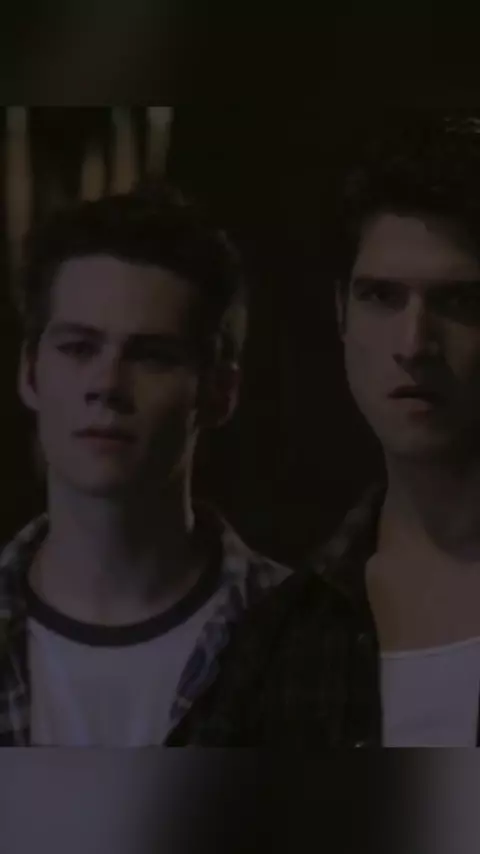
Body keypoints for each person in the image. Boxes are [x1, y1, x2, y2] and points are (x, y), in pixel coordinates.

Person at [174, 118, 480, 747]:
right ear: (341, 313)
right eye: (382, 297)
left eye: (457, 302)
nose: (414, 343)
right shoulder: (280, 638)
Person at [0, 181, 292, 746]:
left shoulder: (305, 639)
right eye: (78, 348)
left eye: (152, 356)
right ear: (30, 373)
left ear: (220, 392)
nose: (107, 385)